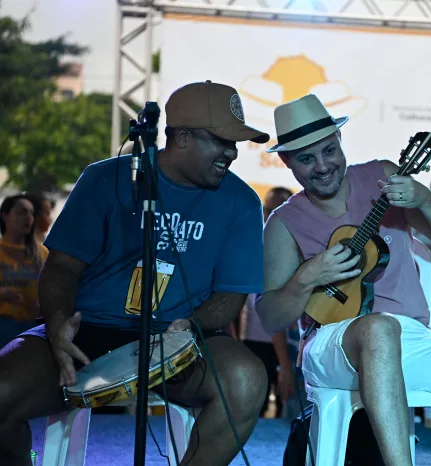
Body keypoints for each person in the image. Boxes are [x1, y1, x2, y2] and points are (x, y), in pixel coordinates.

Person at [0, 81, 270, 466]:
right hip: (85, 332)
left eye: (236, 143)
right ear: (182, 138)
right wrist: (58, 321)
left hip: (178, 339)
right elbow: (62, 267)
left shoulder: (241, 201)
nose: (232, 152)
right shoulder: (104, 179)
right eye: (221, 141)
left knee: (246, 379)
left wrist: (190, 327)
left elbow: (230, 296)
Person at [256, 94, 431, 466]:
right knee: (379, 330)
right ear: (287, 161)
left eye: (329, 150)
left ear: (340, 142)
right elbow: (270, 315)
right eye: (307, 158)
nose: (323, 166)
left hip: (410, 339)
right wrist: (306, 277)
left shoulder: (382, 176)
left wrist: (424, 199)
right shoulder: (283, 222)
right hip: (330, 344)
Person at [239, 187, 296, 418]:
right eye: (267, 209)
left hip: (287, 341)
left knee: (289, 407)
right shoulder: (250, 243)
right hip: (254, 340)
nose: (271, 214)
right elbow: (237, 299)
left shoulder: (296, 244)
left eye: (278, 209)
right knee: (254, 406)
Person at [0, 195, 48, 347]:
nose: (28, 217)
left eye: (31, 213)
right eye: (21, 212)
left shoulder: (42, 252)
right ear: (5, 216)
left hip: (33, 327)